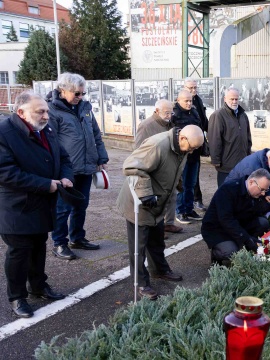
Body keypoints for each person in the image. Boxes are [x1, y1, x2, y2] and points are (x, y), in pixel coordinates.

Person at [0, 91, 73, 318]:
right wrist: (46, 184)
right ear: (21, 112)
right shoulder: (4, 133)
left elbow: (64, 158)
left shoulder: (46, 129)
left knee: (39, 246)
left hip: (41, 204)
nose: (45, 115)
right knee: (19, 252)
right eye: (40, 111)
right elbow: (6, 172)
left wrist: (66, 176)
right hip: (16, 208)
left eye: (46, 111)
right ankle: (17, 297)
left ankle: (39, 286)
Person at [116, 125, 204, 300]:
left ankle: (159, 270)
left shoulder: (182, 147)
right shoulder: (158, 144)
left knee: (157, 240)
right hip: (140, 201)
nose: (192, 152)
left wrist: (176, 185)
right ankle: (141, 283)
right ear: (183, 138)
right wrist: (146, 194)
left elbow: (174, 168)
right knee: (138, 247)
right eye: (192, 147)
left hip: (158, 201)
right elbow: (132, 167)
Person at [48, 73, 109, 260]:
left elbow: (96, 134)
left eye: (82, 93)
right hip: (66, 169)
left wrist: (101, 157)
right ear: (62, 90)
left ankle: (77, 238)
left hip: (86, 165)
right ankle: (59, 243)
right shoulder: (52, 111)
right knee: (62, 208)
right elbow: (50, 142)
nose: (80, 97)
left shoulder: (85, 108)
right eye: (76, 93)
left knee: (81, 205)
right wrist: (57, 168)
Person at [201, 169, 270, 267]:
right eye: (262, 189)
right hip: (217, 229)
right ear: (251, 182)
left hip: (239, 223)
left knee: (263, 223)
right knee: (231, 251)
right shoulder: (228, 189)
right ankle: (217, 254)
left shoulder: (255, 192)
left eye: (266, 190)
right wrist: (247, 239)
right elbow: (226, 220)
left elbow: (256, 212)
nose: (264, 193)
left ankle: (247, 248)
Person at [134, 99, 182, 234]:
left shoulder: (171, 124)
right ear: (156, 111)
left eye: (171, 113)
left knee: (172, 195)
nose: (169, 116)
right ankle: (156, 229)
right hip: (154, 168)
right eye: (166, 113)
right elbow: (138, 149)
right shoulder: (146, 125)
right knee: (157, 200)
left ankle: (169, 223)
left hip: (170, 165)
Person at [208, 87, 252, 186]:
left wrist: (248, 156)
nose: (234, 101)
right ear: (225, 99)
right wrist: (216, 160)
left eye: (236, 99)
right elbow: (214, 139)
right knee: (225, 193)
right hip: (226, 164)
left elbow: (248, 137)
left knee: (240, 193)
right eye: (231, 99)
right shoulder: (218, 115)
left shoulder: (243, 115)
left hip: (242, 163)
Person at [172, 90, 203, 224]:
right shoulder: (175, 114)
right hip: (182, 155)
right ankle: (180, 211)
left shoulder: (194, 112)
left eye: (190, 100)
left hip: (194, 155)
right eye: (186, 101)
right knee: (181, 185)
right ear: (178, 100)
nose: (189, 103)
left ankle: (189, 209)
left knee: (191, 184)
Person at [183, 78, 209, 211]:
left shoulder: (198, 100)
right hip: (186, 146)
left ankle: (196, 200)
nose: (193, 90)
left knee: (194, 175)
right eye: (190, 88)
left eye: (195, 87)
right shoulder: (180, 105)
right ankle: (187, 204)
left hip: (197, 144)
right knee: (185, 177)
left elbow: (203, 120)